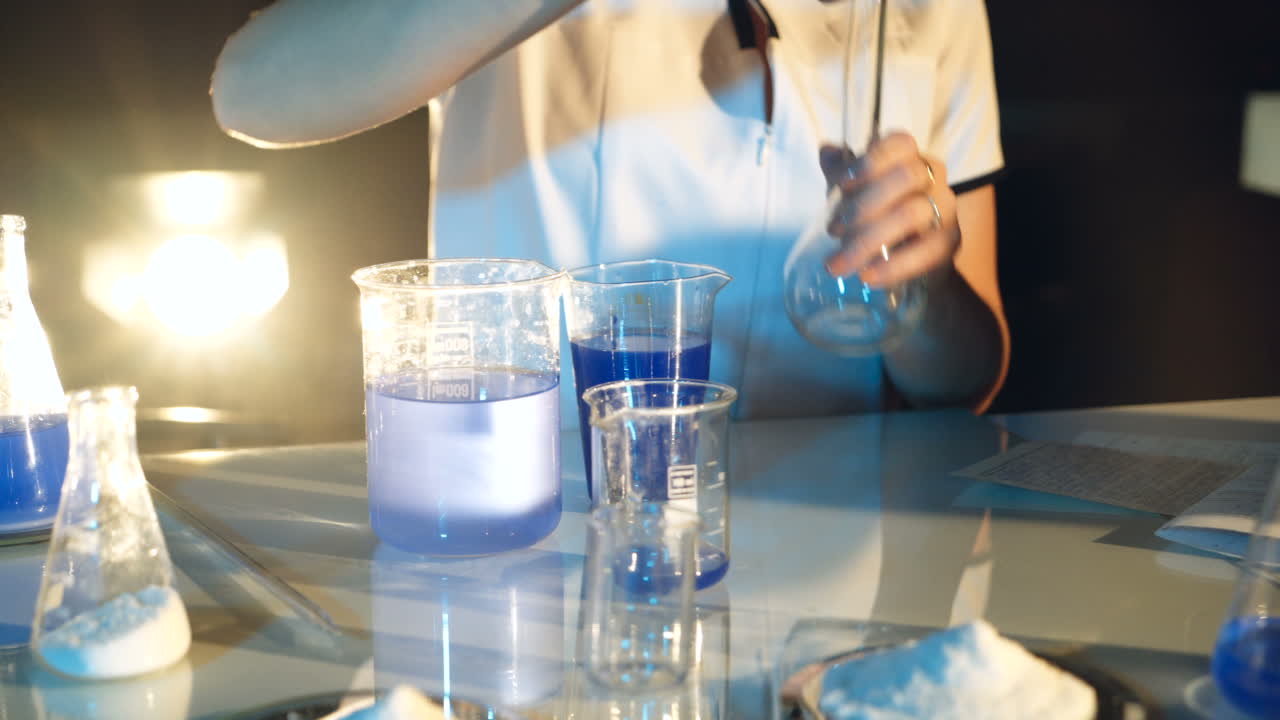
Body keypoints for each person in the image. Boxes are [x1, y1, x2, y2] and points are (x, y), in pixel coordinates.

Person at [211, 0, 1009, 419]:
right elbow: (255, 90)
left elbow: (965, 385)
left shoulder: (931, 8)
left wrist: (925, 290)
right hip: (537, 529)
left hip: (834, 542)